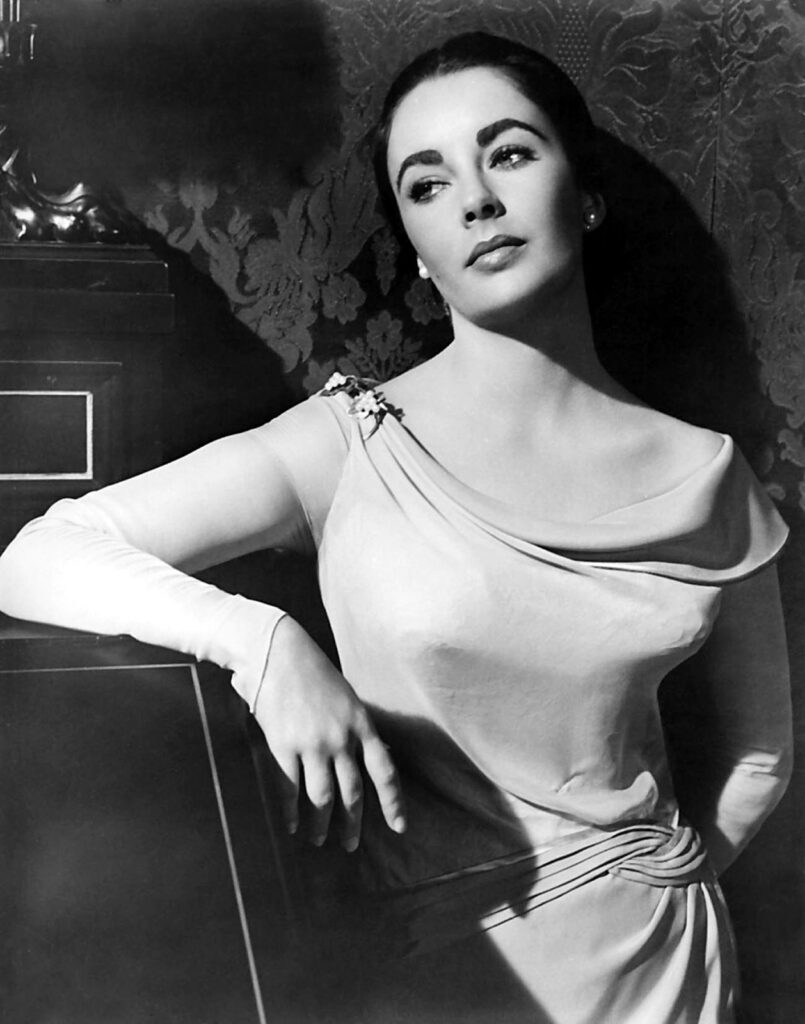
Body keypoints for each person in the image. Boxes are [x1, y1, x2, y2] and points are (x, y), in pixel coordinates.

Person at [0, 31, 793, 1024]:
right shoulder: (348, 445)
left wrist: (651, 884)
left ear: (585, 195)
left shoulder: (705, 474)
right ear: (416, 251)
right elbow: (37, 555)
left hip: (662, 971)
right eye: (428, 183)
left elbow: (760, 757)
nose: (476, 200)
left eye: (509, 153)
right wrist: (261, 644)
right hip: (431, 974)